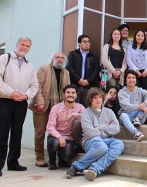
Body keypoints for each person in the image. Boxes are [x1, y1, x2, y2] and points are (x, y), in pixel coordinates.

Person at [65, 88, 124, 181]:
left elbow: (116, 128)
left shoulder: (109, 112)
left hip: (106, 140)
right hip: (90, 140)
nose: (98, 100)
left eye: (100, 97)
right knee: (102, 147)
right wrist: (107, 130)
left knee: (119, 144)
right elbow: (90, 132)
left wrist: (100, 127)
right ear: (90, 100)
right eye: (95, 98)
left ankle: (95, 169)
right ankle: (76, 166)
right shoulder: (86, 113)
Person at [0, 37, 38, 177]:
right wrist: (12, 93)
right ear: (17, 45)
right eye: (22, 44)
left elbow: (34, 85)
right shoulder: (5, 58)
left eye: (28, 46)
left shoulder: (30, 66)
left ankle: (13, 162)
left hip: (21, 103)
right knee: (2, 133)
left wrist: (26, 96)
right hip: (5, 100)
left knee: (17, 133)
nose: (24, 47)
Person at [29, 52, 70, 167]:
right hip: (43, 106)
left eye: (62, 58)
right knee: (40, 133)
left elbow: (68, 89)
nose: (60, 59)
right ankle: (40, 157)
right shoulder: (44, 69)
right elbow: (37, 86)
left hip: (58, 108)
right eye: (58, 57)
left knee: (56, 133)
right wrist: (39, 102)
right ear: (52, 59)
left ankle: (53, 157)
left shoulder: (66, 72)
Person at [46, 84, 85, 170]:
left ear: (76, 95)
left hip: (70, 138)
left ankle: (62, 156)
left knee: (66, 158)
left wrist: (73, 115)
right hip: (56, 136)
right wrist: (59, 137)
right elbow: (50, 127)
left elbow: (87, 117)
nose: (70, 94)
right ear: (64, 94)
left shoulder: (79, 107)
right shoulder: (56, 108)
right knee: (54, 143)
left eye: (73, 93)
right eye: (68, 92)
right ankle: (52, 161)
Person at [118, 70, 147, 141]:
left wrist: (145, 102)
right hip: (127, 117)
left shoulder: (139, 90)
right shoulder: (121, 92)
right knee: (123, 115)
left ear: (136, 80)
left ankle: (137, 118)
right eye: (129, 78)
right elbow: (126, 106)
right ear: (125, 81)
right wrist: (139, 106)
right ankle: (136, 133)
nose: (131, 80)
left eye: (133, 78)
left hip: (139, 118)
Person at [67, 34, 99, 107]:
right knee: (74, 106)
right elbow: (69, 68)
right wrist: (78, 79)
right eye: (84, 42)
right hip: (76, 84)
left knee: (87, 107)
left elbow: (96, 70)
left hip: (88, 85)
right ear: (79, 43)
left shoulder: (93, 55)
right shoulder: (73, 54)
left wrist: (88, 80)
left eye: (88, 42)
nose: (87, 43)